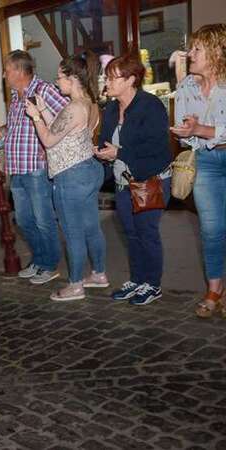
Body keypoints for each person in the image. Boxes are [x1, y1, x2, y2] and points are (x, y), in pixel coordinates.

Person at [25, 52, 107, 302]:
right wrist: (44, 110)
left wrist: (36, 116)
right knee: (92, 228)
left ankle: (75, 285)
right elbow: (62, 129)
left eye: (60, 76)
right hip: (88, 170)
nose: (56, 81)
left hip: (71, 177)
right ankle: (99, 274)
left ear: (72, 78)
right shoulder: (89, 103)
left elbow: (49, 140)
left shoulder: (73, 107)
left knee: (73, 233)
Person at [94, 55, 172, 305]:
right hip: (122, 182)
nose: (107, 81)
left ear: (130, 80)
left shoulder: (150, 106)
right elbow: (106, 141)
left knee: (146, 232)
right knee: (131, 233)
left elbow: (157, 149)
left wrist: (119, 153)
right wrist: (100, 153)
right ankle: (137, 280)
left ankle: (152, 284)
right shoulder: (110, 109)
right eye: (106, 76)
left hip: (149, 179)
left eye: (111, 77)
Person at [0, 50, 68, 285]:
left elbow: (68, 115)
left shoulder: (43, 90)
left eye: (7, 71)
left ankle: (50, 265)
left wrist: (49, 146)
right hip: (17, 168)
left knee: (43, 219)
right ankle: (39, 259)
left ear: (19, 70)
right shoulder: (17, 96)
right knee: (24, 220)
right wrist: (6, 129)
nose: (5, 76)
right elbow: (22, 125)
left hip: (36, 168)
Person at [169, 24, 226, 318]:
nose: (190, 54)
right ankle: (215, 288)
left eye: (197, 49)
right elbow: (184, 134)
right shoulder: (186, 86)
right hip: (205, 162)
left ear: (216, 51)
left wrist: (201, 129)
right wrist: (186, 132)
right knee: (212, 229)